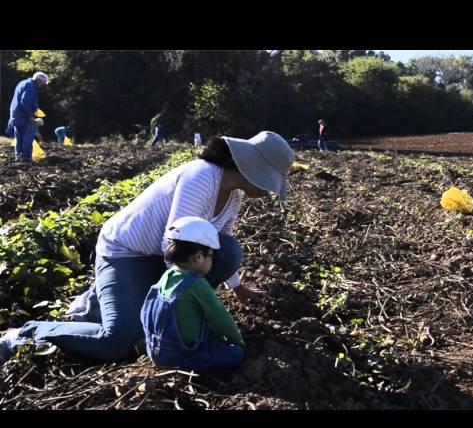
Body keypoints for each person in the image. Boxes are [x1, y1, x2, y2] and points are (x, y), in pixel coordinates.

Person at [0, 131, 295, 364]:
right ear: (253, 168)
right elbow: (177, 243)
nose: (270, 190)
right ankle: (25, 333)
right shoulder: (201, 177)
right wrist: (175, 309)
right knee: (120, 341)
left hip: (161, 255)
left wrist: (237, 288)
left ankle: (114, 301)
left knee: (228, 252)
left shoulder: (233, 196)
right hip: (126, 253)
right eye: (270, 180)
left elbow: (217, 244)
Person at [141, 216, 245, 371]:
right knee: (236, 354)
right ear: (198, 257)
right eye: (212, 257)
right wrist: (238, 341)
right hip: (181, 356)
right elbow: (220, 317)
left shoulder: (165, 277)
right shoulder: (196, 284)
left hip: (155, 351)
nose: (213, 262)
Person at [5, 72, 49, 164]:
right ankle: (26, 159)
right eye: (43, 83)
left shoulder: (23, 83)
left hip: (15, 115)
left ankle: (19, 157)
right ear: (39, 80)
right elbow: (25, 101)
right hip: (23, 115)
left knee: (19, 137)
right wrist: (30, 116)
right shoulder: (31, 86)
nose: (42, 86)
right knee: (28, 137)